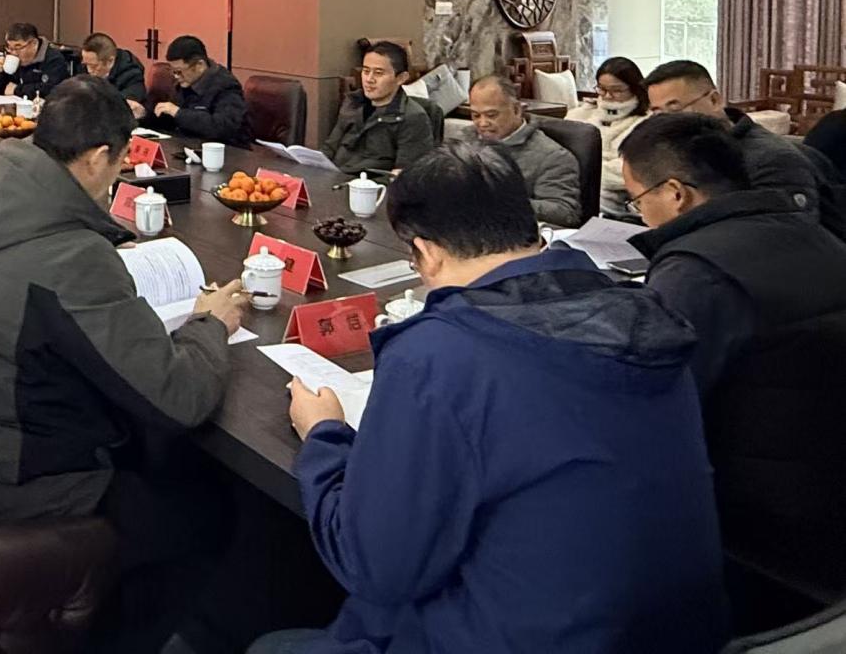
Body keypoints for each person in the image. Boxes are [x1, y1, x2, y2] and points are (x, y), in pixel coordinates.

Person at [249, 142, 726, 654]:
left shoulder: (439, 354)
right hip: (679, 633)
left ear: (426, 252)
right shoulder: (641, 315)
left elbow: (374, 567)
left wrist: (324, 435)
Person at [0, 75, 248, 653]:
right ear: (98, 157)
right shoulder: (71, 256)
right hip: (22, 481)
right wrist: (210, 325)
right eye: (118, 164)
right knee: (203, 512)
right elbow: (181, 397)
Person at [621, 112, 846, 398]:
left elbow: (657, 391)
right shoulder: (819, 236)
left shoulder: (694, 272)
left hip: (740, 423)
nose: (641, 216)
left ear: (675, 193)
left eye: (638, 201)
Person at [645, 60, 825, 215]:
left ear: (714, 100)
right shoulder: (673, 151)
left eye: (675, 109)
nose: (666, 122)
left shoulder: (772, 160)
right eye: (658, 113)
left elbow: (784, 230)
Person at [467, 75, 582, 226]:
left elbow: (565, 213)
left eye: (491, 115)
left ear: (517, 110)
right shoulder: (464, 139)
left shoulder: (552, 156)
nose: (482, 123)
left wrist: (505, 202)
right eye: (475, 115)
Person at [321, 40, 437, 174]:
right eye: (366, 71)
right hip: (334, 178)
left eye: (378, 73)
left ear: (401, 78)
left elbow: (405, 175)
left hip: (369, 184)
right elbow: (329, 149)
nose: (369, 79)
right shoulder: (353, 103)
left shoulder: (413, 118)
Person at [565, 56, 648, 216]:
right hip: (574, 183)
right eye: (602, 89)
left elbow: (634, 169)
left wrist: (587, 171)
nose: (608, 96)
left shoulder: (647, 122)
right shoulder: (580, 115)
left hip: (619, 197)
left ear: (634, 89)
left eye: (617, 91)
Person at [153, 35, 251, 146]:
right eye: (173, 71)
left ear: (200, 65)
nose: (176, 76)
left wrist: (179, 113)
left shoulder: (226, 86)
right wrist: (145, 114)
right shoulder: (185, 82)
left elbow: (223, 127)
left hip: (227, 150)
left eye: (179, 71)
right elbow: (171, 120)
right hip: (189, 144)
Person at [0, 22, 70, 99]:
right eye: (10, 48)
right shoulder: (11, 56)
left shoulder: (53, 59)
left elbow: (51, 90)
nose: (14, 53)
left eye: (18, 47)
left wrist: (17, 90)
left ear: (34, 43)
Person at [81, 32, 148, 119]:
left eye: (94, 66)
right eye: (86, 64)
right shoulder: (83, 66)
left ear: (110, 61)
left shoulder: (132, 75)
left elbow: (118, 107)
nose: (89, 70)